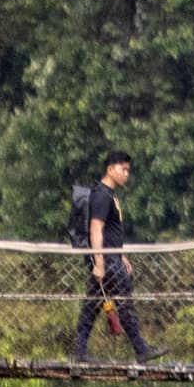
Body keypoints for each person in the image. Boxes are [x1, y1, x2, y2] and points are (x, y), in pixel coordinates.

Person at [67, 151, 151, 362]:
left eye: (128, 170)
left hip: (112, 257)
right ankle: (141, 349)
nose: (126, 174)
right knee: (123, 301)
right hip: (106, 261)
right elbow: (96, 229)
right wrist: (100, 263)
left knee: (92, 306)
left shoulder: (109, 195)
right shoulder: (102, 195)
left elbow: (111, 233)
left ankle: (79, 351)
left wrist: (121, 255)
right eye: (123, 169)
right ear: (110, 169)